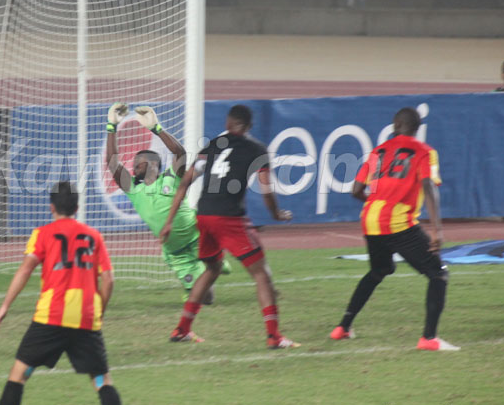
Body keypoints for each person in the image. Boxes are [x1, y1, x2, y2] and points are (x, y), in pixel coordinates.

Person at [0, 182, 129, 405]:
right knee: (101, 380)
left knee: (19, 375)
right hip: (86, 318)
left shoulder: (42, 234)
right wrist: (99, 311)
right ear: (77, 208)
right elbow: (109, 279)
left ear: (51, 207)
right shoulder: (94, 236)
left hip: (50, 317)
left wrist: (4, 306)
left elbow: (25, 270)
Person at [159, 105, 298, 348]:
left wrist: (169, 222)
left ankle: (182, 329)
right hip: (229, 218)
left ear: (228, 123)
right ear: (248, 126)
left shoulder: (211, 147)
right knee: (261, 275)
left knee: (211, 269)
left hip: (204, 215)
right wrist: (276, 213)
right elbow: (266, 190)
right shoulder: (257, 150)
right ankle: (274, 336)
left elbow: (184, 184)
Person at [329, 107, 459, 351]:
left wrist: (375, 202)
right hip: (399, 222)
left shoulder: (378, 152)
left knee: (379, 270)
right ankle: (429, 339)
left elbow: (356, 190)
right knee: (438, 273)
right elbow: (428, 186)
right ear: (417, 129)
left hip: (370, 219)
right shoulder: (425, 152)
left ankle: (342, 328)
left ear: (394, 125)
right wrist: (437, 230)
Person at [104, 103, 231, 310]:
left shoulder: (170, 178)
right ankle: (212, 267)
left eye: (139, 163)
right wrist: (112, 126)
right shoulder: (133, 190)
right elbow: (112, 163)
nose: (134, 167)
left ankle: (214, 264)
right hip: (176, 253)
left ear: (153, 165)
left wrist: (156, 128)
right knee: (206, 299)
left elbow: (180, 153)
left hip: (198, 237)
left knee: (206, 285)